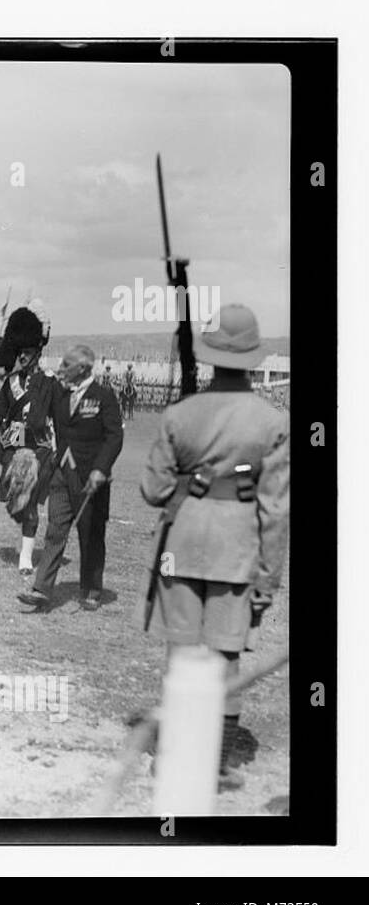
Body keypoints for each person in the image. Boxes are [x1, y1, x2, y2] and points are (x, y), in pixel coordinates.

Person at [138, 304, 289, 789]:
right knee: (226, 657)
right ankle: (215, 763)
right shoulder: (271, 422)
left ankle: (174, 754)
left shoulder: (181, 414)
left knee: (180, 653)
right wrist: (268, 579)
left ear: (210, 357)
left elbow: (153, 491)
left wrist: (191, 473)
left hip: (181, 542)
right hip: (237, 550)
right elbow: (276, 510)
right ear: (251, 357)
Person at [18, 345, 124, 611]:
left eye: (66, 365)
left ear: (84, 369)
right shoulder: (59, 394)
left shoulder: (104, 397)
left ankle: (91, 588)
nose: (61, 369)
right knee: (55, 530)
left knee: (90, 534)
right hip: (62, 472)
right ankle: (41, 589)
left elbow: (114, 437)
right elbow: (37, 414)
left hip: (91, 478)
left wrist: (101, 468)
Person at [0, 303, 54, 576]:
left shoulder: (49, 382)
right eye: (20, 352)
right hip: (12, 447)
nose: (22, 357)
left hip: (39, 449)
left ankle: (25, 558)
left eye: (27, 352)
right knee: (15, 503)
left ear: (37, 353)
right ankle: (22, 525)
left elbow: (58, 416)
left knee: (32, 504)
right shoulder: (10, 383)